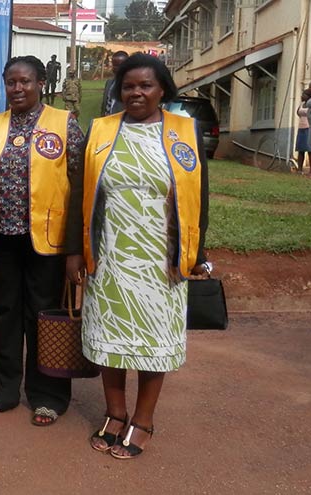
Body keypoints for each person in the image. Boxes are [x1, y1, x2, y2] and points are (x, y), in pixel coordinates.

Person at [65, 53, 209, 459]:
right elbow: (80, 192)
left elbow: (200, 196)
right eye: (128, 86)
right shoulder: (102, 129)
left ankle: (143, 419)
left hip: (161, 258)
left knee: (153, 340)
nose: (136, 93)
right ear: (119, 91)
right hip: (109, 254)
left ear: (163, 88)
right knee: (111, 338)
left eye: (145, 85)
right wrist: (74, 250)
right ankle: (115, 413)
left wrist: (195, 250)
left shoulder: (184, 131)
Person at [0, 55, 85, 426]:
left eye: (25, 82)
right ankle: (4, 391)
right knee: (5, 316)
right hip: (2, 240)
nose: (17, 88)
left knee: (43, 317)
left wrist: (75, 249)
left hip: (48, 244)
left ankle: (49, 395)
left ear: (41, 83)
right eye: (11, 82)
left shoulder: (65, 124)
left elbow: (81, 189)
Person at [101, 51, 128, 116]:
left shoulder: (131, 85)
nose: (115, 68)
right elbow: (105, 104)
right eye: (114, 65)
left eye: (119, 65)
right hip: (107, 122)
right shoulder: (109, 83)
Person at [296, 90, 311, 174]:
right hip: (301, 128)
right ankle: (299, 169)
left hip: (308, 128)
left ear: (308, 96)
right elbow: (298, 112)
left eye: (303, 94)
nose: (301, 96)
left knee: (309, 149)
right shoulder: (301, 104)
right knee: (300, 149)